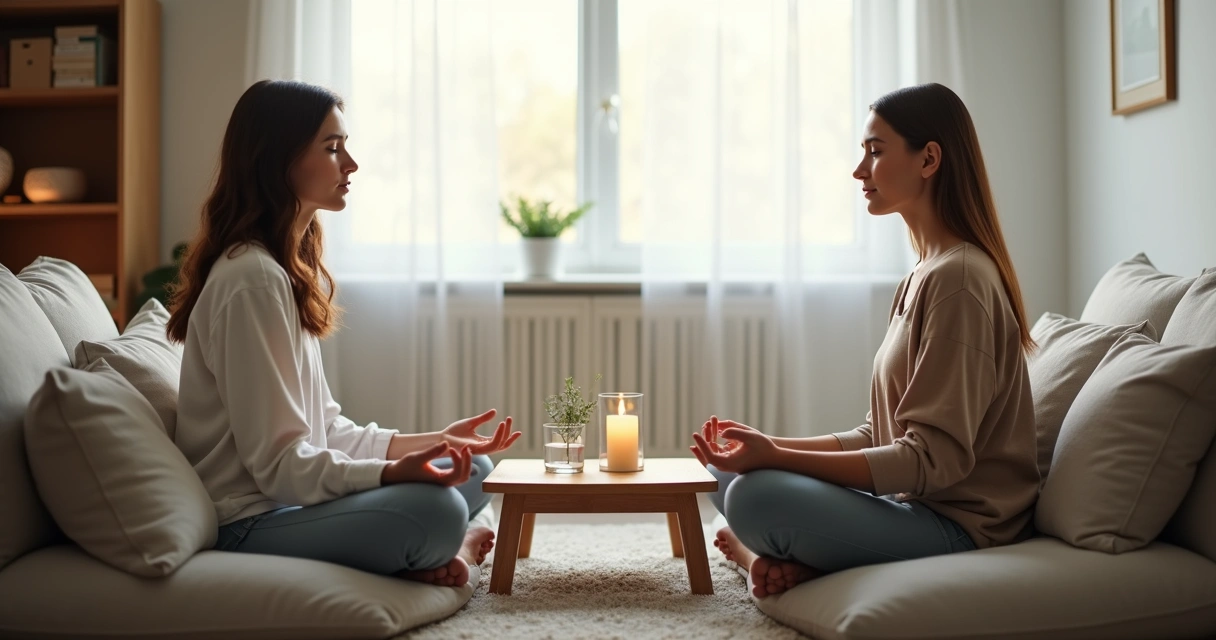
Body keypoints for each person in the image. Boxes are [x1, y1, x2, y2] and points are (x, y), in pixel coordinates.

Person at [691, 82, 1039, 599]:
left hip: (960, 529)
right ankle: (792, 557)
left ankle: (762, 556)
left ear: (929, 159)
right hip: (907, 506)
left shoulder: (960, 281)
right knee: (722, 475)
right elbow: (879, 433)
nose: (859, 171)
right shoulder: (924, 272)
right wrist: (767, 447)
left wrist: (776, 458)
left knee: (754, 499)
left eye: (875, 152)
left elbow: (930, 460)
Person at [168, 79, 521, 588]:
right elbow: (279, 467)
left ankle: (436, 550)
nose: (350, 164)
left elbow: (327, 431)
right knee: (437, 510)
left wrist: (437, 441)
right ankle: (447, 543)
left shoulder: (280, 271)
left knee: (475, 466)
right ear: (278, 159)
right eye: (332, 149)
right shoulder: (252, 281)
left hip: (293, 501)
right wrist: (393, 474)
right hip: (249, 522)